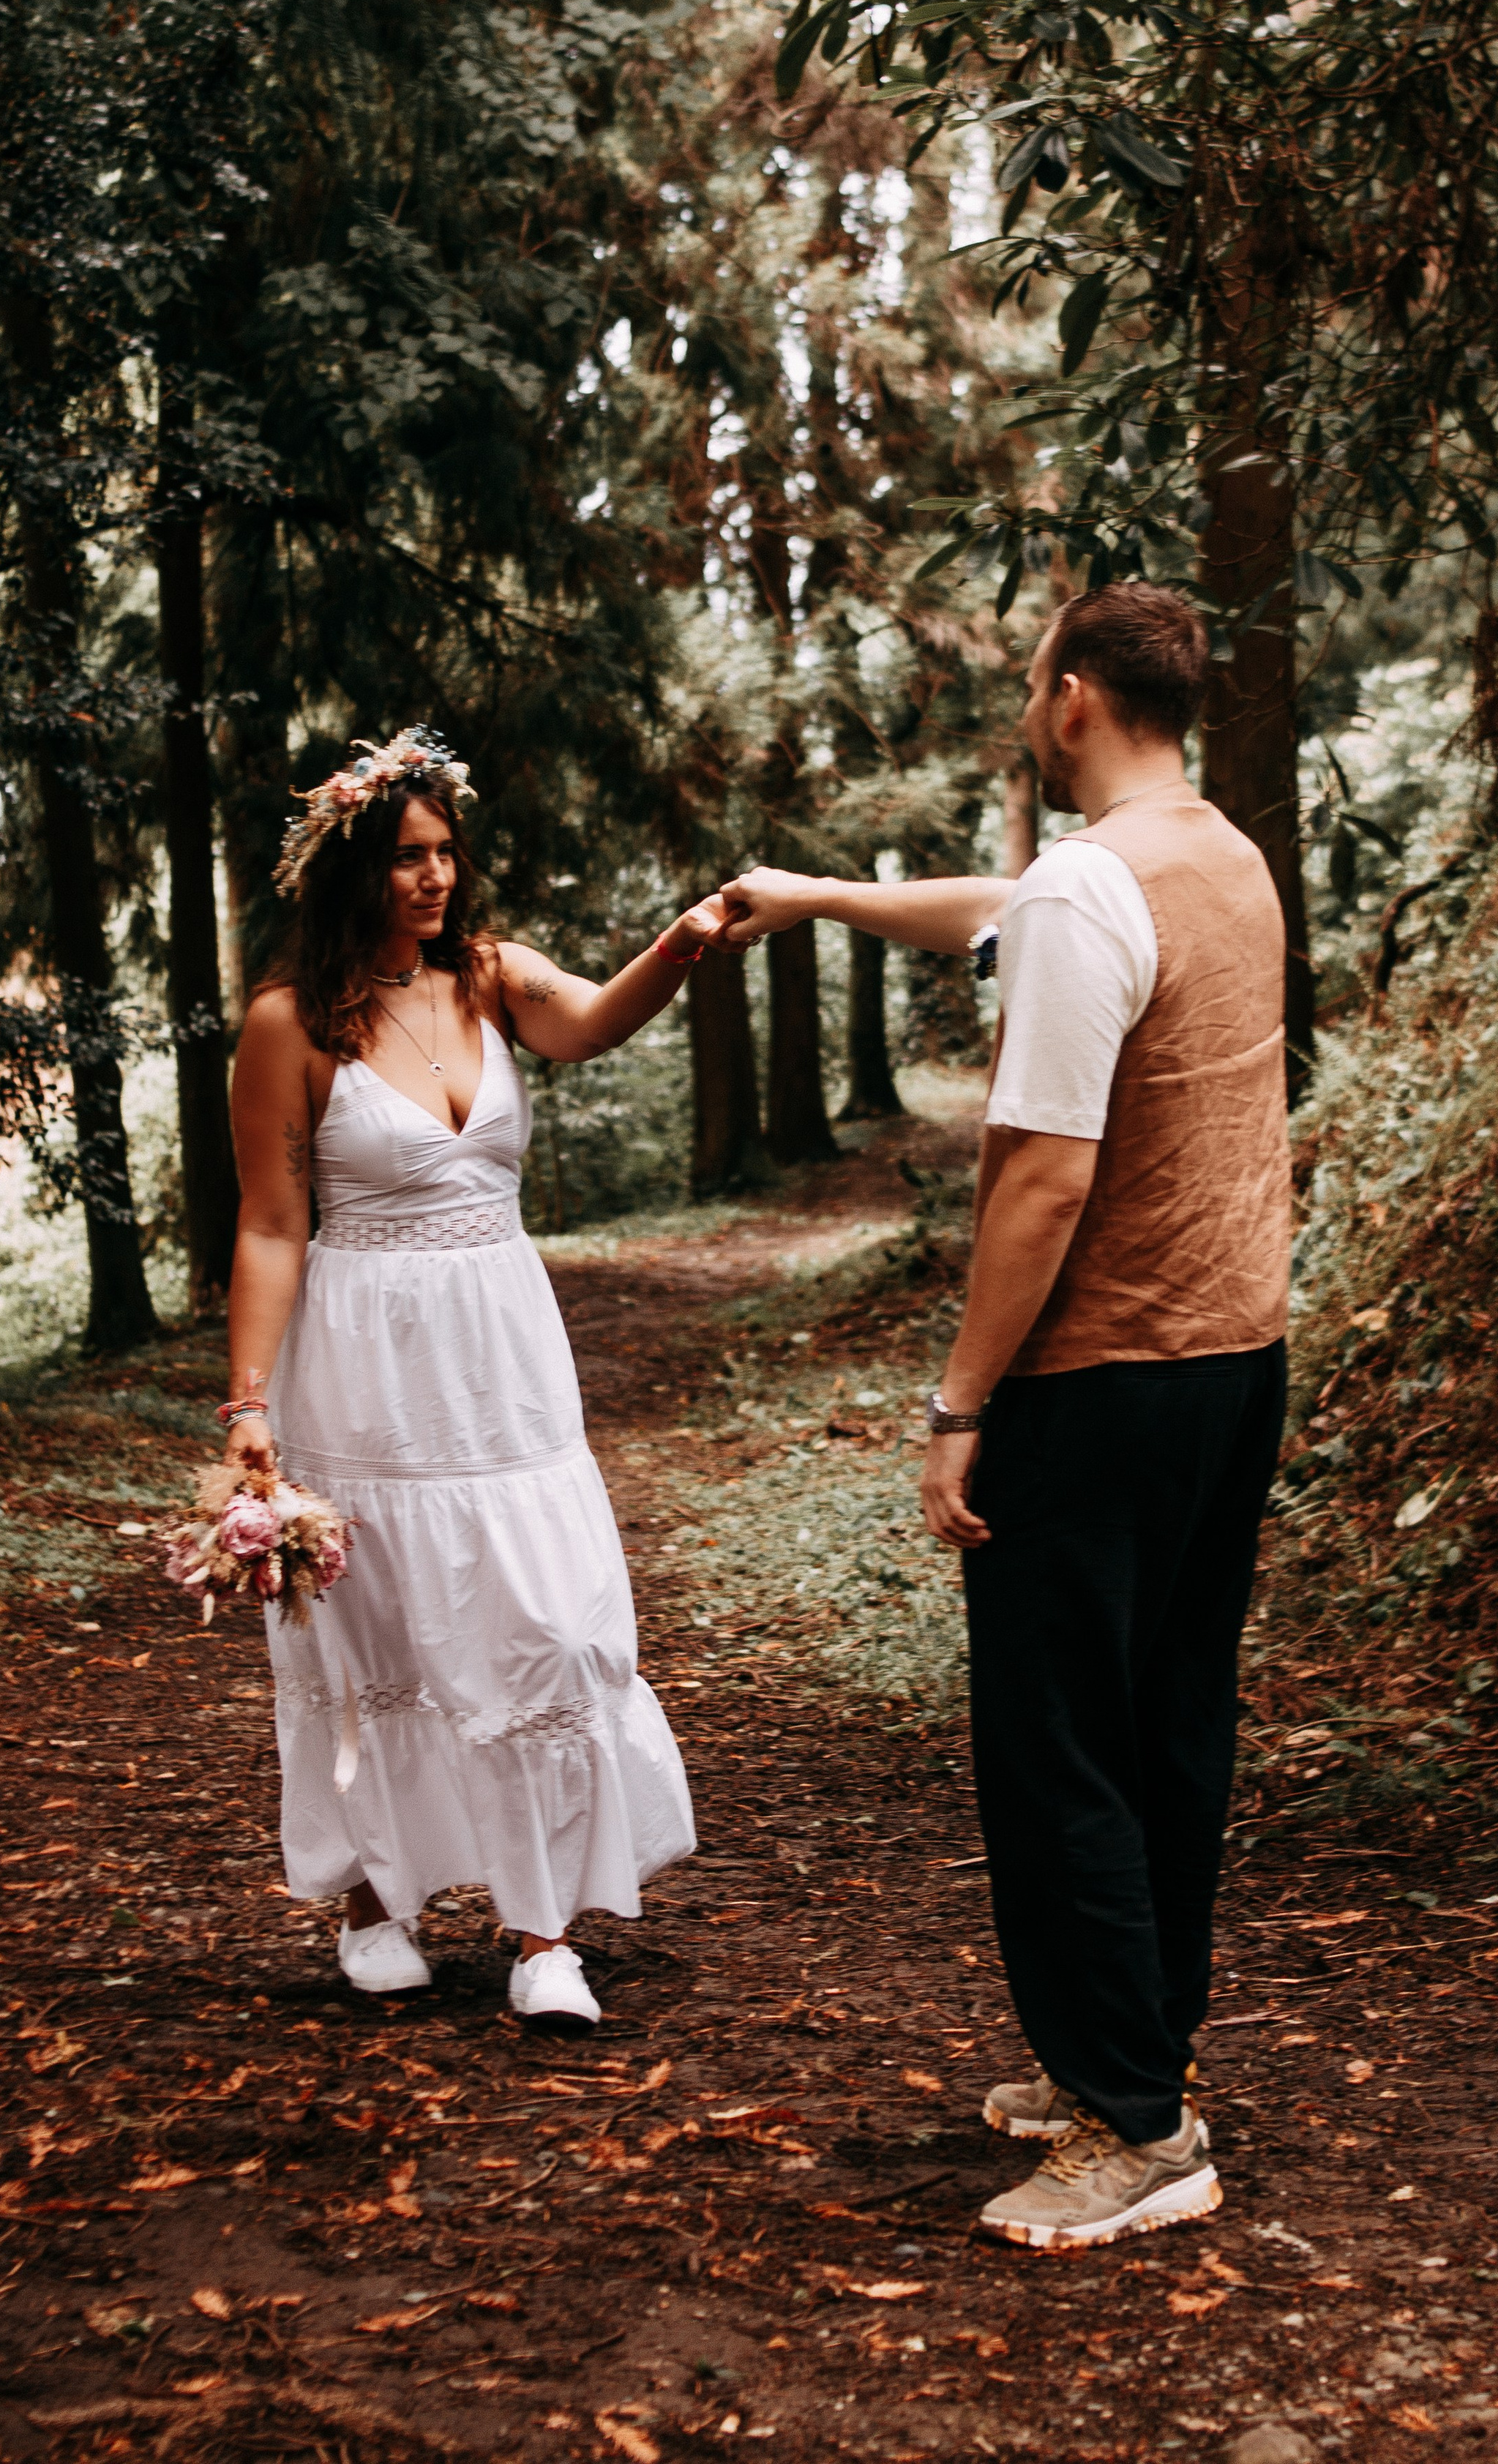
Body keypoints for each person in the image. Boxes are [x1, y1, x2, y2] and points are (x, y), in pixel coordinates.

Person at [719, 581, 1289, 2249]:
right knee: (1167, 1723)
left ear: (1068, 700)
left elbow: (1041, 1176)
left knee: (1055, 1753)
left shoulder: (1084, 884)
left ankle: (1132, 2126)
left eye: (1033, 683)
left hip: (1093, 1379)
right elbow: (1017, 908)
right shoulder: (1215, 858)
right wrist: (820, 896)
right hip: (1229, 1369)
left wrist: (960, 1400)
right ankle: (1125, 2052)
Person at [225, 727, 720, 2020]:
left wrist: (683, 941)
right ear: (352, 874)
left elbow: (600, 1017)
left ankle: (540, 1929)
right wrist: (249, 1401)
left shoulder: (493, 980)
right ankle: (377, 1899)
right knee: (380, 1625)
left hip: (501, 1353)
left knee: (545, 1623)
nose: (433, 878)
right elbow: (272, 1223)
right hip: (365, 1361)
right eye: (404, 859)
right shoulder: (292, 1023)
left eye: (446, 854)